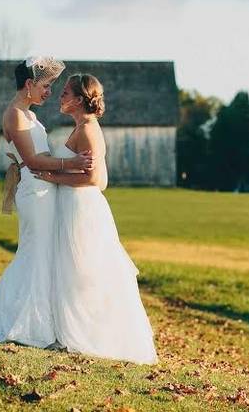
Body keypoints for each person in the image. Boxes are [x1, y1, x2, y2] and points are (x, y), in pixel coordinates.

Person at [35, 73, 157, 364]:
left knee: (80, 270)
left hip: (81, 208)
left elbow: (96, 178)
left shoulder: (88, 130)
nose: (60, 96)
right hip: (74, 204)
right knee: (72, 268)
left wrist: (51, 175)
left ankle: (81, 336)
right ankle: (67, 332)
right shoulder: (83, 127)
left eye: (65, 93)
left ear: (79, 99)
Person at [0, 57, 93, 348]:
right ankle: (28, 329)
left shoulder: (30, 115)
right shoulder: (15, 114)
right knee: (34, 254)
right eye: (46, 85)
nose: (50, 92)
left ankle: (37, 325)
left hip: (44, 188)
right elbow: (32, 160)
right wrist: (72, 162)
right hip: (34, 191)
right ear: (29, 85)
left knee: (41, 254)